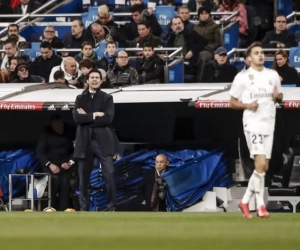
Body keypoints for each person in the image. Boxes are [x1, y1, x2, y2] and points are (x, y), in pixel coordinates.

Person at [229, 42, 283, 219]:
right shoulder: (242, 78)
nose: (261, 55)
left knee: (263, 166)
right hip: (252, 124)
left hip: (269, 124)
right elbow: (233, 102)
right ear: (248, 58)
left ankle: (244, 201)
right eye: (256, 53)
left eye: (262, 52)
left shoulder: (273, 75)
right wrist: (247, 105)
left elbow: (279, 98)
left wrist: (278, 97)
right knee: (259, 164)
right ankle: (260, 206)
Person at [73, 69, 120, 211]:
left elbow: (107, 119)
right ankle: (84, 207)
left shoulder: (107, 98)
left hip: (103, 142)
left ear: (101, 80)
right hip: (84, 142)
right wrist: (94, 115)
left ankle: (111, 206)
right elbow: (76, 118)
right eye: (92, 77)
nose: (94, 80)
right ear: (87, 80)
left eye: (97, 77)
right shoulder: (80, 98)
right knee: (83, 178)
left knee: (109, 174)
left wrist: (86, 117)